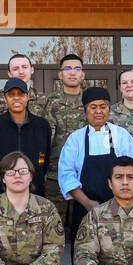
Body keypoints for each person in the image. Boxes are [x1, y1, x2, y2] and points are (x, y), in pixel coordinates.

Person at [56, 87, 133, 265]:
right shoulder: (75, 139)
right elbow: (67, 174)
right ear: (85, 111)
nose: (98, 111)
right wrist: (87, 203)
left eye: (103, 106)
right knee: (86, 252)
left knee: (117, 254)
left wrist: (121, 203)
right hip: (87, 206)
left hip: (120, 208)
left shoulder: (122, 136)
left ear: (109, 109)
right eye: (93, 107)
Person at [0, 79, 51, 207]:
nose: (16, 98)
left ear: (27, 97)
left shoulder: (42, 126)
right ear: (5, 98)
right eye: (11, 94)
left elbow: (44, 164)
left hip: (33, 197)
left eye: (20, 94)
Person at [44, 53, 88, 229]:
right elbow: (46, 137)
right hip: (56, 174)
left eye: (77, 69)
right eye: (67, 69)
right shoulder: (51, 102)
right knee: (54, 227)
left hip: (85, 173)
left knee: (84, 227)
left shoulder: (90, 101)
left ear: (82, 74)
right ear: (60, 74)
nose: (72, 72)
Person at [0, 53, 51, 121]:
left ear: (32, 70)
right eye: (15, 69)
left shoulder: (42, 98)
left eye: (25, 67)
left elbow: (47, 127)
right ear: (9, 74)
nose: (21, 72)